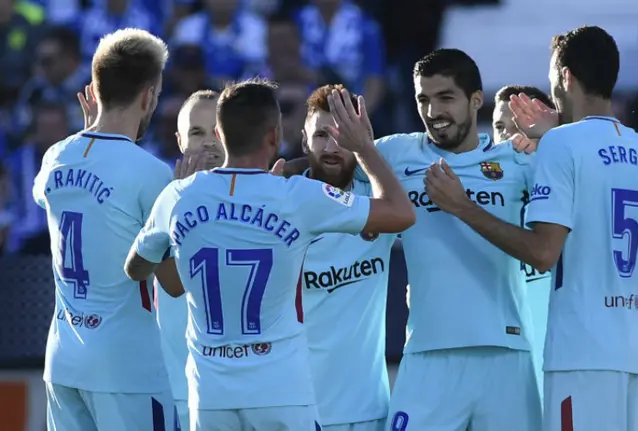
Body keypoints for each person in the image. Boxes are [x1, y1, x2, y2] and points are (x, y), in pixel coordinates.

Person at [423, 26, 638, 431]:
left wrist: (463, 207)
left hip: (579, 353)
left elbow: (543, 252)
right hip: (634, 355)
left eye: (551, 74)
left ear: (565, 76)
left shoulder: (560, 145)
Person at [124, 78, 415, 431]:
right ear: (277, 135)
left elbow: (138, 269)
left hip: (211, 396)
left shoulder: (178, 196)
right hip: (282, 392)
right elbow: (401, 212)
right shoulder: (294, 197)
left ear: (220, 132)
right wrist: (365, 148)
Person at [286, 48, 544, 430]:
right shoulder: (392, 154)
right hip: (427, 354)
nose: (433, 110)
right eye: (423, 98)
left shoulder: (518, 161)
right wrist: (269, 176)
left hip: (506, 353)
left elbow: (560, 231)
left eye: (445, 98)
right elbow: (329, 167)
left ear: (476, 100)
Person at [32, 28, 178, 430]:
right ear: (148, 95)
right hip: (128, 370)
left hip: (63, 361)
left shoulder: (56, 156)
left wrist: (87, 134)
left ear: (94, 91)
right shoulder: (152, 173)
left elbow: (53, 196)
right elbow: (173, 282)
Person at [300, 84, 397, 431]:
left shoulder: (381, 200)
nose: (330, 148)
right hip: (295, 409)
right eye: (320, 135)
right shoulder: (283, 202)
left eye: (342, 136)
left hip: (367, 409)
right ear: (303, 140)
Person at [153, 89, 224, 431]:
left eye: (217, 129)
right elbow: (173, 284)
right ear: (180, 140)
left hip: (248, 393)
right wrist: (176, 209)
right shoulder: (158, 200)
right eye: (197, 132)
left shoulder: (267, 197)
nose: (209, 141)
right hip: (179, 390)